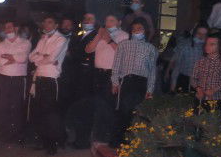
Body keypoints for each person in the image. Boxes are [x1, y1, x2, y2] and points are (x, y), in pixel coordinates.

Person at [109, 20, 158, 148]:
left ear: (145, 30)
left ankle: (132, 142)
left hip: (141, 83)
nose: (136, 30)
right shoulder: (123, 45)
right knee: (123, 111)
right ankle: (117, 141)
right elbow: (116, 64)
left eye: (139, 28)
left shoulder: (151, 48)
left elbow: (152, 71)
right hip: (127, 81)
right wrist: (115, 82)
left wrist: (150, 90)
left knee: (136, 113)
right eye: (134, 28)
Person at [86, 14, 129, 144]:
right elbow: (88, 49)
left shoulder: (123, 35)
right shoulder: (101, 34)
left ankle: (109, 136)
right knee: (98, 104)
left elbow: (123, 53)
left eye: (111, 20)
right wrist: (99, 36)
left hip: (112, 74)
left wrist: (109, 40)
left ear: (119, 22)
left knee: (109, 105)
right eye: (106, 20)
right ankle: (99, 135)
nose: (108, 23)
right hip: (98, 73)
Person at [28, 15, 68, 155]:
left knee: (51, 113)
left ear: (56, 25)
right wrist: (42, 57)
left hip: (51, 78)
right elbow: (31, 57)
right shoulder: (43, 38)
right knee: (40, 111)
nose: (46, 24)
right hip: (39, 77)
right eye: (45, 22)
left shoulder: (61, 39)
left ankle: (52, 144)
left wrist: (41, 57)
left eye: (50, 22)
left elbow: (51, 58)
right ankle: (43, 142)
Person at [64, 13, 99, 149]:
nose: (87, 21)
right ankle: (78, 138)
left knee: (85, 110)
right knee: (78, 109)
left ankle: (83, 140)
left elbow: (82, 54)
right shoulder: (78, 36)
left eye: (90, 19)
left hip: (87, 78)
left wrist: (75, 55)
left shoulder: (96, 36)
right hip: (76, 77)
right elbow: (72, 53)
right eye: (85, 19)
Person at [0, 20, 31, 143]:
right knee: (2, 106)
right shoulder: (1, 44)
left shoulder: (25, 42)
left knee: (17, 107)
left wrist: (9, 57)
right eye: (6, 28)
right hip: (3, 78)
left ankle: (16, 135)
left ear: (16, 28)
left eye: (10, 27)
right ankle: (3, 134)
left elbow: (23, 57)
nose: (7, 30)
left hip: (18, 78)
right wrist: (13, 59)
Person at [191, 35, 221, 109]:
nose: (207, 46)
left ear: (219, 46)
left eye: (212, 44)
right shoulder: (201, 60)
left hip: (217, 98)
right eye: (206, 44)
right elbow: (193, 78)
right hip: (200, 98)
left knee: (213, 116)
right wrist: (198, 88)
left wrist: (214, 90)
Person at [167, 24, 207, 92]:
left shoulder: (208, 49)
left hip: (199, 82)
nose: (201, 36)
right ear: (194, 33)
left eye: (204, 34)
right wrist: (173, 86)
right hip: (184, 79)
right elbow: (177, 65)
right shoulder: (185, 45)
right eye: (199, 33)